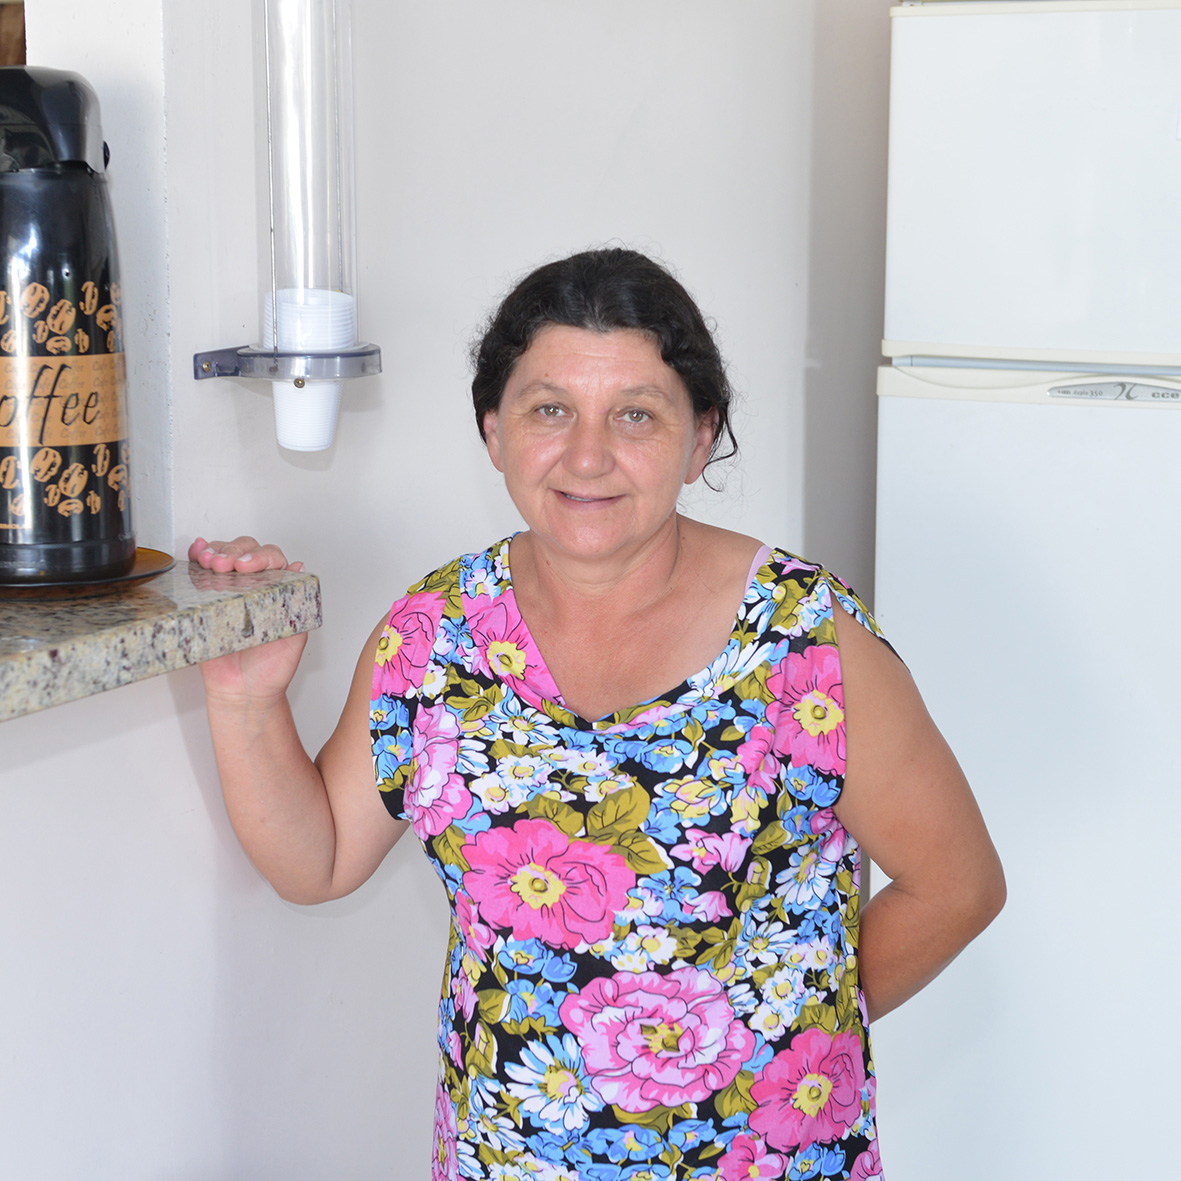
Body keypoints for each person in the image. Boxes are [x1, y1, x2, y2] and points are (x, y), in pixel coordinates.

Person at [190, 248, 1005, 1181]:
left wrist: (776, 1037)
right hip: (506, 1159)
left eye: (635, 414)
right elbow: (321, 857)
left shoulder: (801, 640)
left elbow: (956, 886)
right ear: (493, 432)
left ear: (700, 439)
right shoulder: (434, 636)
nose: (586, 455)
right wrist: (246, 698)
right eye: (548, 410)